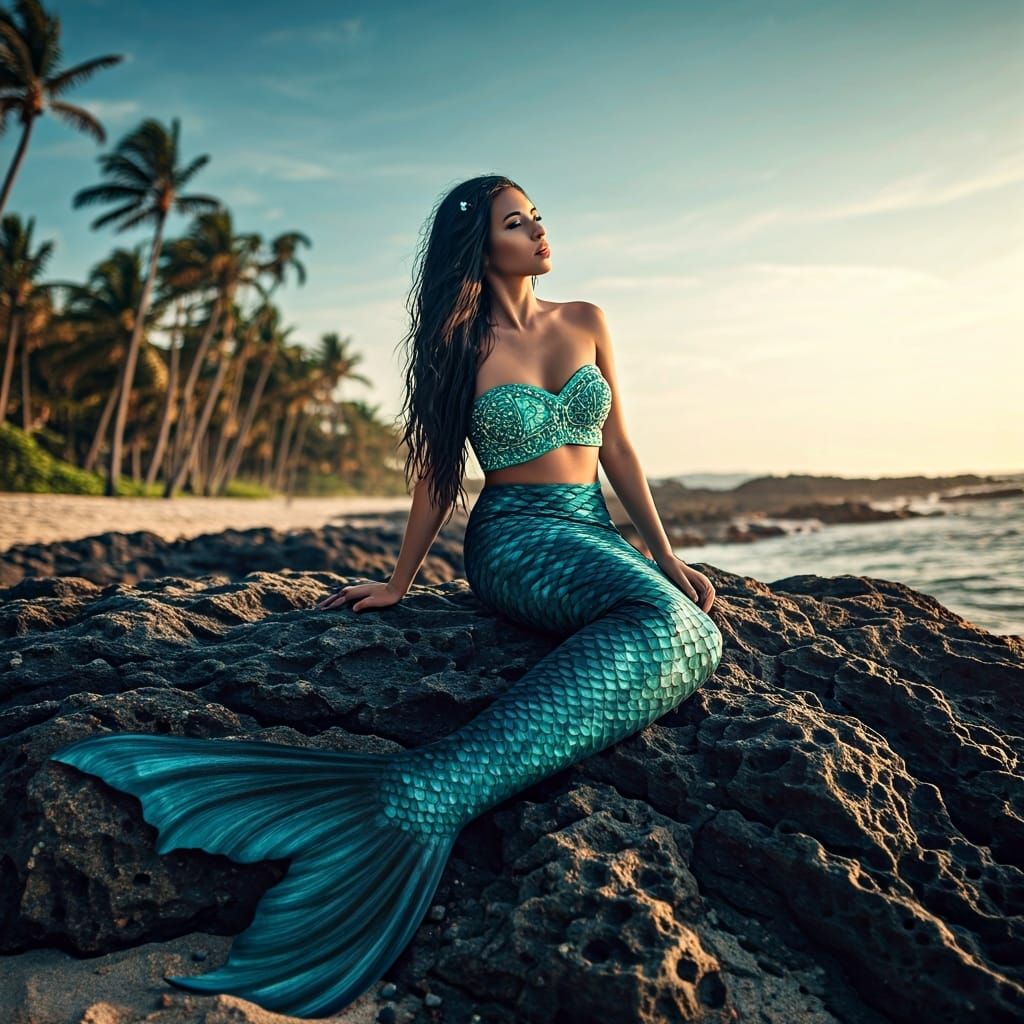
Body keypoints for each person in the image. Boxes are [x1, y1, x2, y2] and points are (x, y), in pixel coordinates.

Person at [48, 174, 724, 1019]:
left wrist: (663, 552)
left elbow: (618, 444)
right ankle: (416, 798)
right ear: (480, 245)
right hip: (515, 538)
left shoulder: (586, 320)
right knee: (679, 632)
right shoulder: (460, 344)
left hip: (592, 529)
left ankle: (422, 791)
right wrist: (401, 581)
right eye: (519, 222)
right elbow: (438, 477)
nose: (540, 231)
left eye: (539, 216)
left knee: (676, 616)